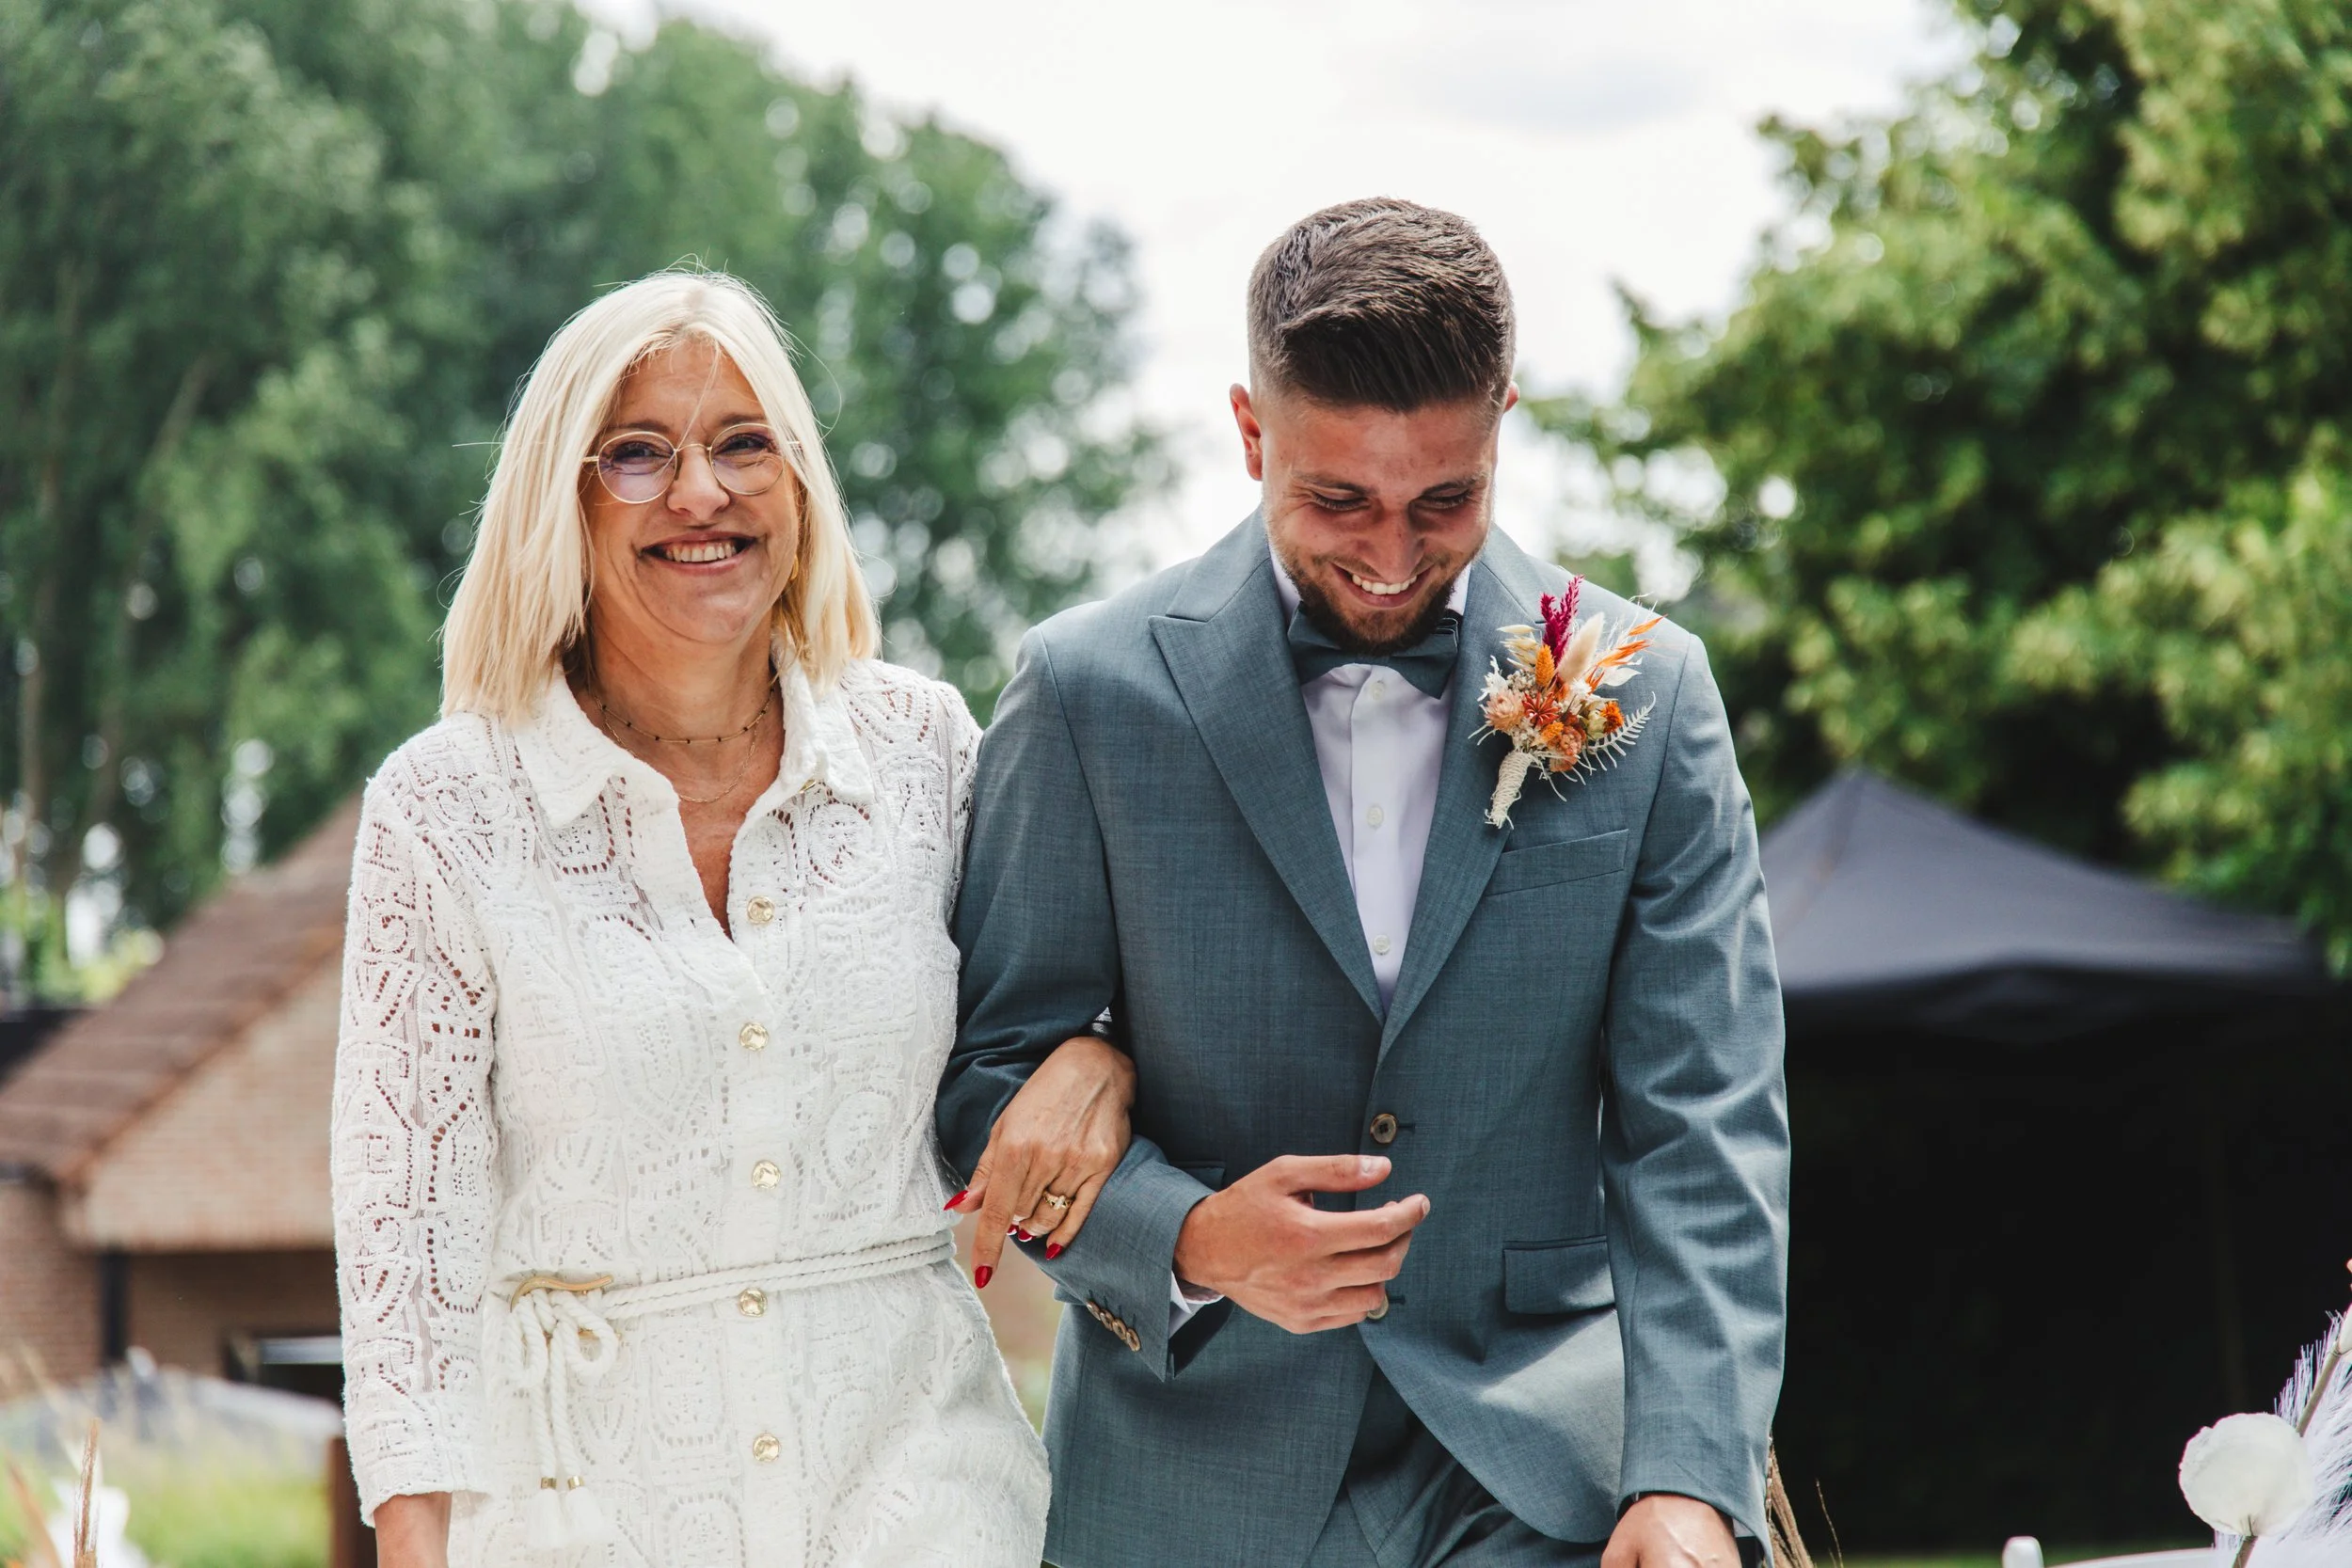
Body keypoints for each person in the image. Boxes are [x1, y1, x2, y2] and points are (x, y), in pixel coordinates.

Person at [939, 199, 1789, 1568]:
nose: (1393, 559)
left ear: (1503, 421)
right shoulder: (1085, 691)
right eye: (1338, 498)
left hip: (1549, 1479)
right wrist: (1195, 1239)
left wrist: (1688, 1473)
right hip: (1187, 1483)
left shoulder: (1652, 694)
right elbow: (989, 1087)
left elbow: (1706, 1121)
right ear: (1248, 429)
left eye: (1444, 499)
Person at [332, 268, 1133, 1568]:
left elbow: (1056, 1000)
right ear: (562, 501)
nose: (699, 491)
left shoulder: (925, 749)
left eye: (741, 443)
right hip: (585, 1509)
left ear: (800, 486)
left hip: (924, 1496)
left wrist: (1100, 1051)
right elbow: (406, 1245)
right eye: (638, 454)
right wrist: (414, 1541)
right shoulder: (445, 809)